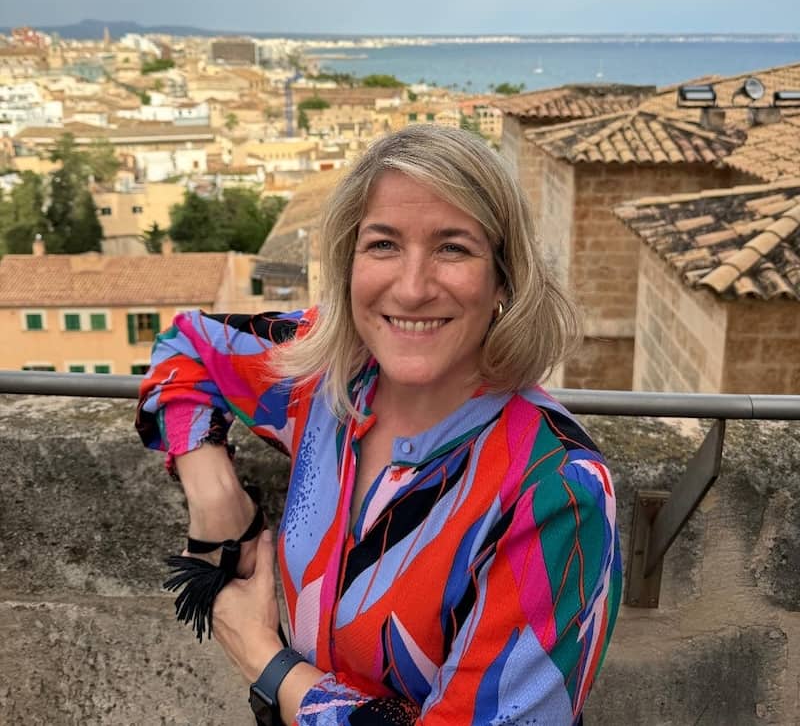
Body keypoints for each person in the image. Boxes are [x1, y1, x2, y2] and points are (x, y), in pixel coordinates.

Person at [136, 124, 621, 726]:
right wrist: (217, 499)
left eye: (453, 248)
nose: (412, 289)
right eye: (384, 244)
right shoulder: (327, 378)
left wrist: (266, 660)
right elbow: (186, 347)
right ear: (348, 264)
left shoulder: (555, 491)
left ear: (504, 277)